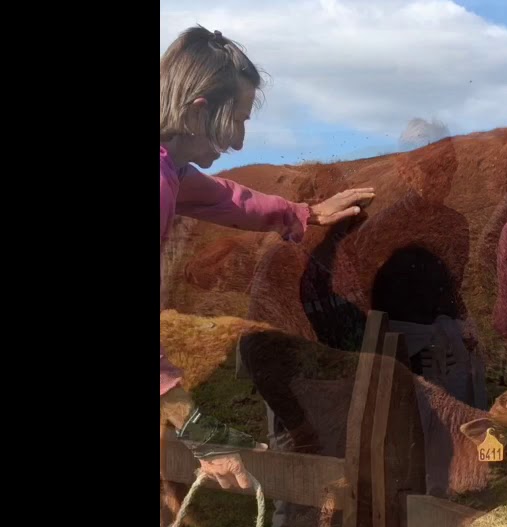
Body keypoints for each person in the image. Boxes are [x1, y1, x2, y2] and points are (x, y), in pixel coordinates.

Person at [158, 25, 375, 487]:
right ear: (199, 111)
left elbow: (227, 199)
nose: (237, 142)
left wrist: (306, 213)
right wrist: (198, 430)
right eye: (235, 120)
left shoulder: (170, 168)